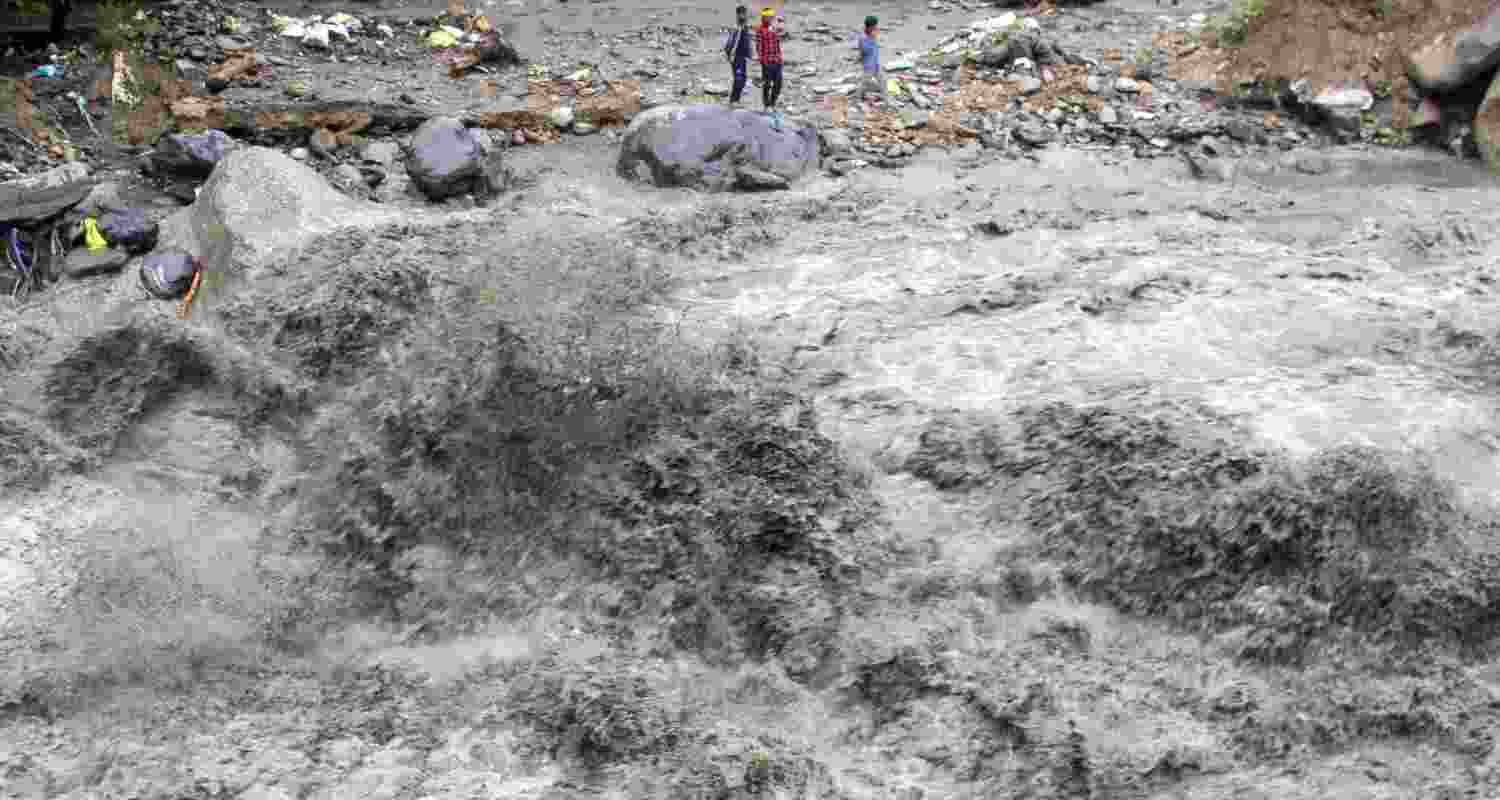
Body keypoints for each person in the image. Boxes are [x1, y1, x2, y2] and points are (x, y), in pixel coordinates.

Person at [755, 7, 784, 113]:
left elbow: (778, 43)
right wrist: (762, 60)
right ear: (763, 18)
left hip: (777, 60)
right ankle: (767, 105)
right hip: (767, 61)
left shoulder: (774, 29)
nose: (770, 19)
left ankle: (773, 103)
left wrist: (780, 58)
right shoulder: (760, 30)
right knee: (767, 84)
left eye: (771, 17)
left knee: (779, 83)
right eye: (768, 17)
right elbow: (758, 46)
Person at [724, 6, 753, 107]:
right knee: (739, 78)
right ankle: (733, 100)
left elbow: (747, 42)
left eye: (744, 13)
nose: (743, 15)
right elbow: (729, 42)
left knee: (743, 78)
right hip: (736, 57)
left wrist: (750, 55)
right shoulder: (736, 27)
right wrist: (729, 55)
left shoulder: (744, 27)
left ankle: (736, 99)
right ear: (737, 15)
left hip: (742, 57)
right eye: (741, 13)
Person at [859, 15, 882, 100]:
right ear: (870, 26)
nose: (876, 27)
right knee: (864, 84)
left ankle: (888, 100)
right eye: (874, 25)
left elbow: (875, 48)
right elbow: (865, 51)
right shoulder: (863, 37)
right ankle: (856, 99)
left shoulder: (872, 33)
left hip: (875, 63)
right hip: (869, 65)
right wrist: (872, 39)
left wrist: (873, 37)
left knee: (883, 81)